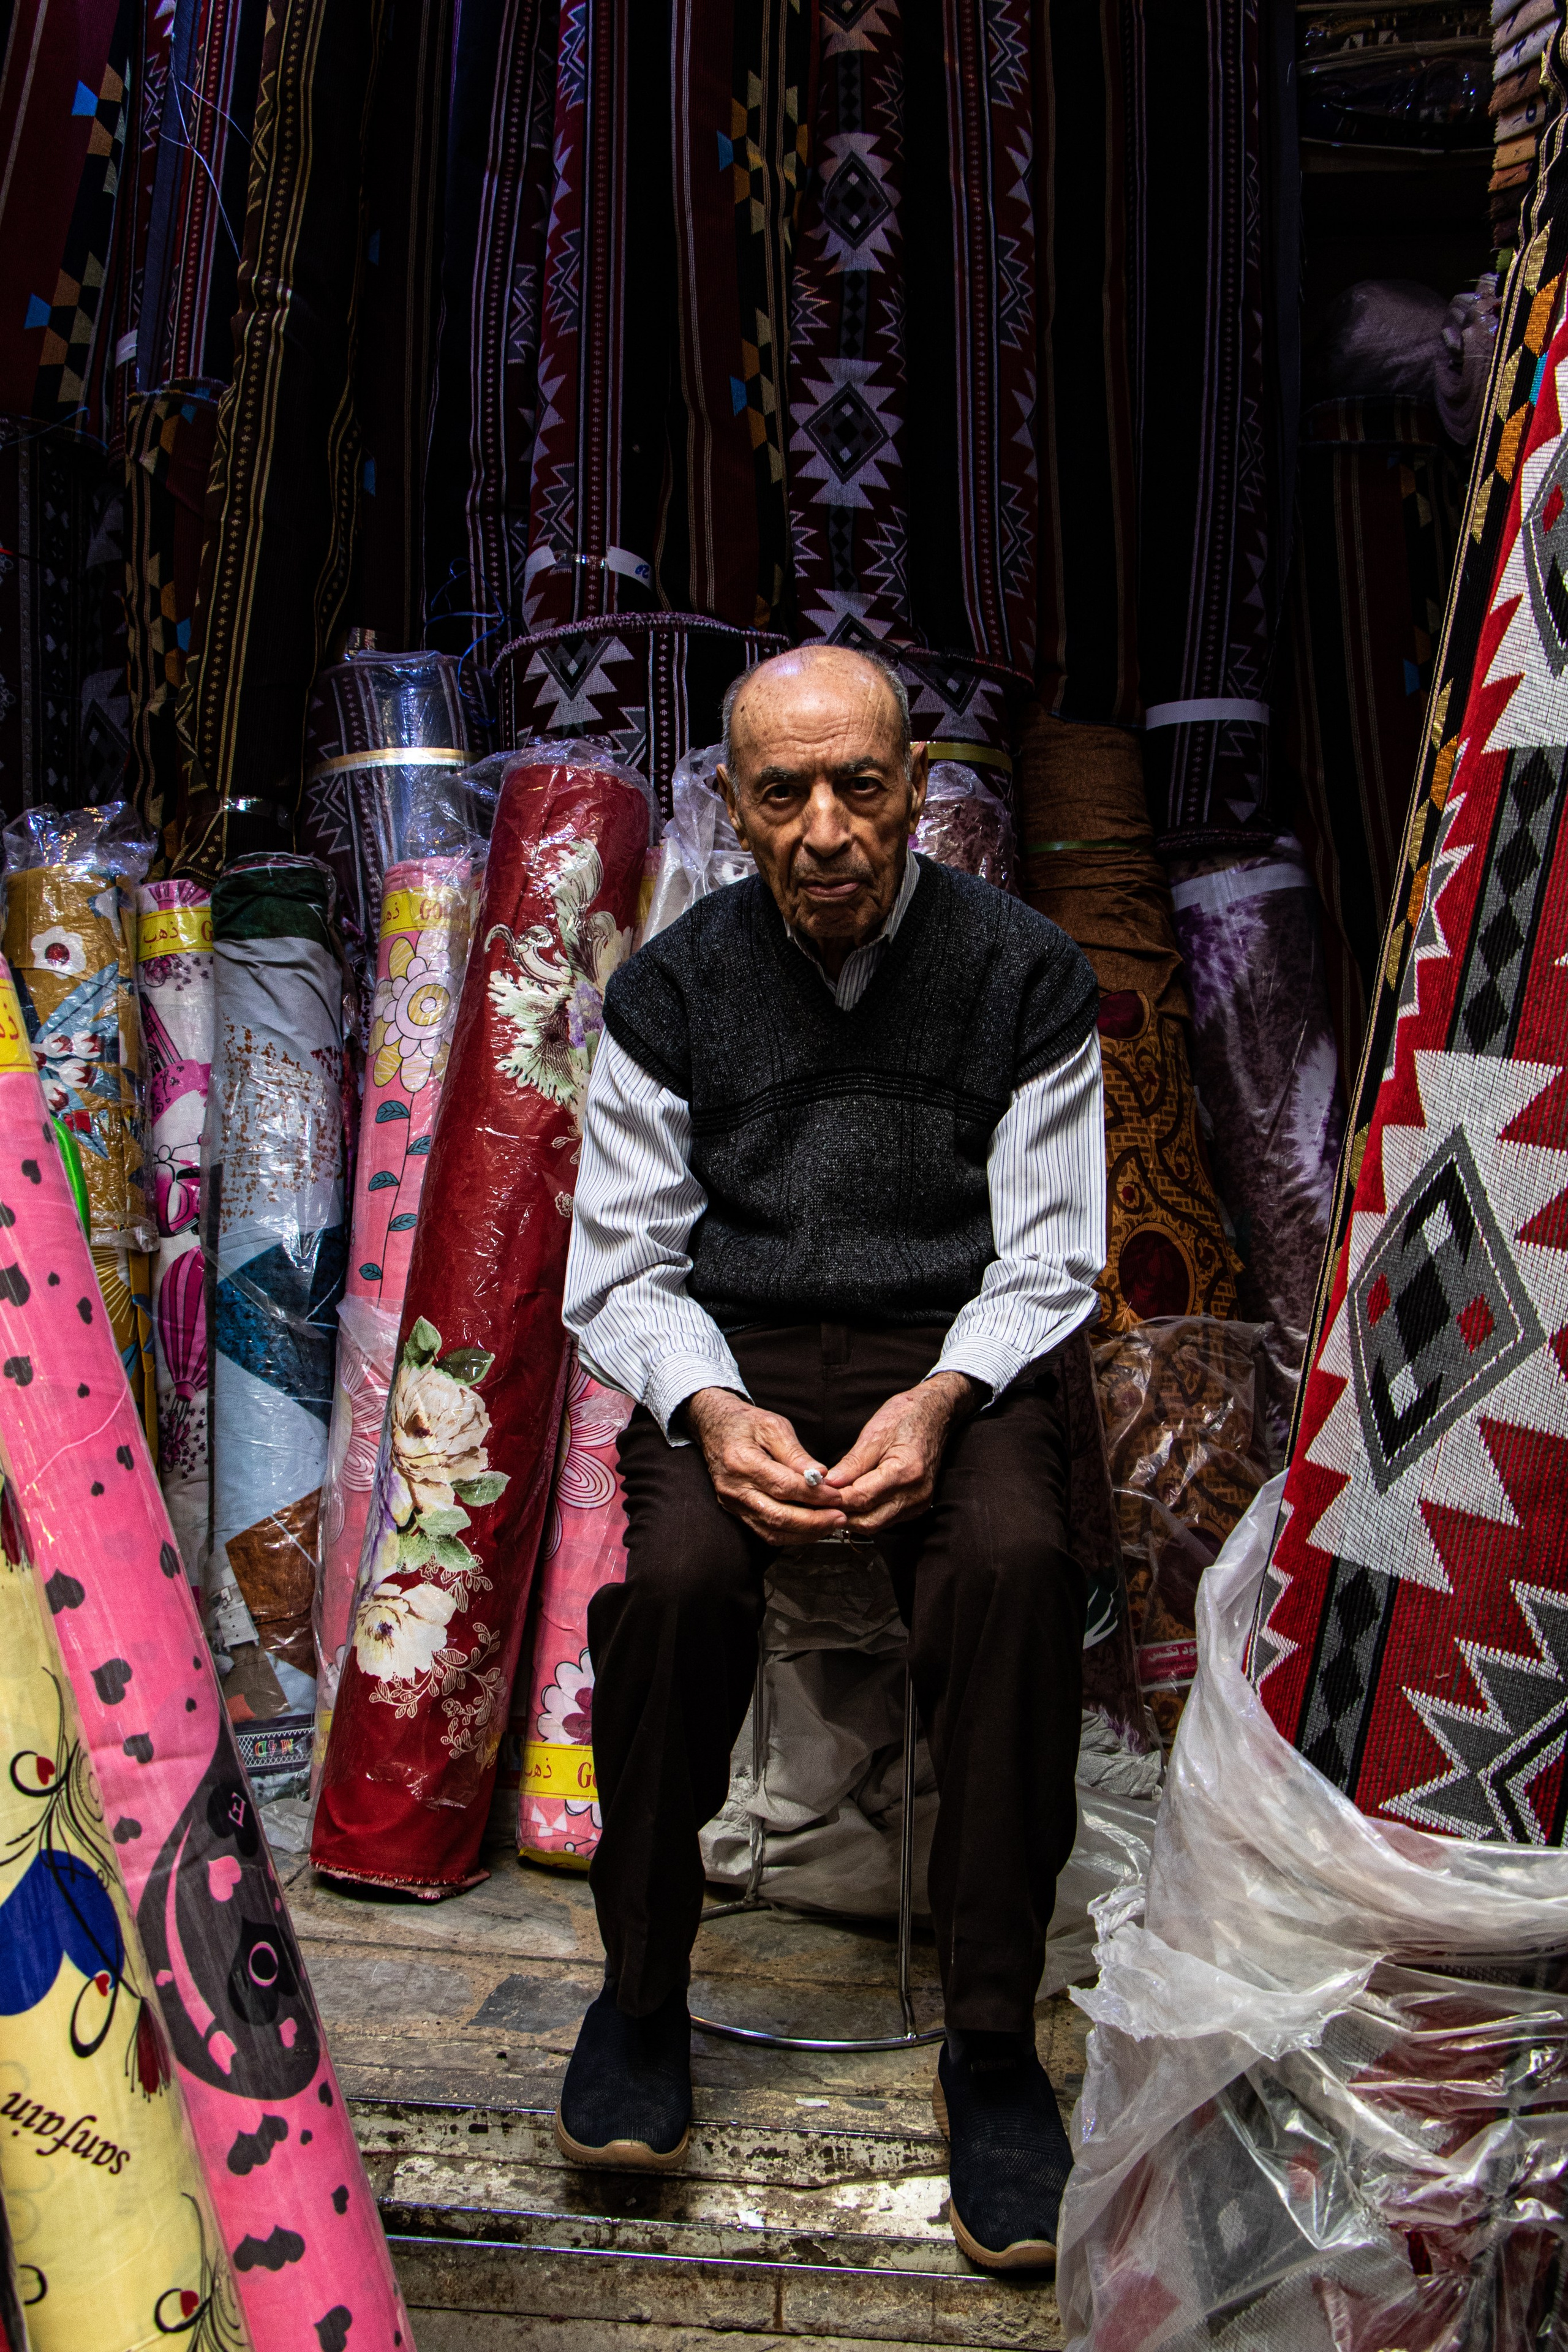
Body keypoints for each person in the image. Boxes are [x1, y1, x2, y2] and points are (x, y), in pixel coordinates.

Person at [554, 643, 1106, 2272]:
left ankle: (992, 2048)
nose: (824, 829)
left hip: (951, 1349)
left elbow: (1053, 1254)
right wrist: (715, 1415)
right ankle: (643, 1995)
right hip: (737, 1347)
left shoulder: (1022, 971)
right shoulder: (672, 988)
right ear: (732, 805)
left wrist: (939, 1400)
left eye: (859, 785)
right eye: (780, 791)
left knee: (1013, 1569)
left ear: (917, 790)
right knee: (675, 1584)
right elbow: (621, 1263)